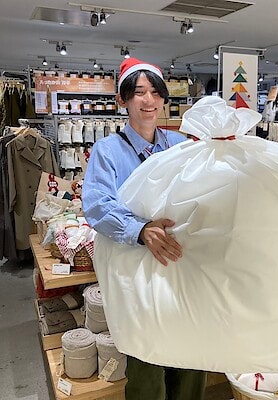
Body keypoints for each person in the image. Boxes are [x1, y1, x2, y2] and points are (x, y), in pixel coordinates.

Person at [82, 57, 207, 400]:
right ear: (123, 100)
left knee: (191, 353)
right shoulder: (108, 151)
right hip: (135, 270)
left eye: (155, 92)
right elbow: (96, 204)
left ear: (164, 98)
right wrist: (139, 230)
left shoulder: (180, 146)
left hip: (181, 266)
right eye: (138, 92)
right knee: (146, 358)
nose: (148, 100)